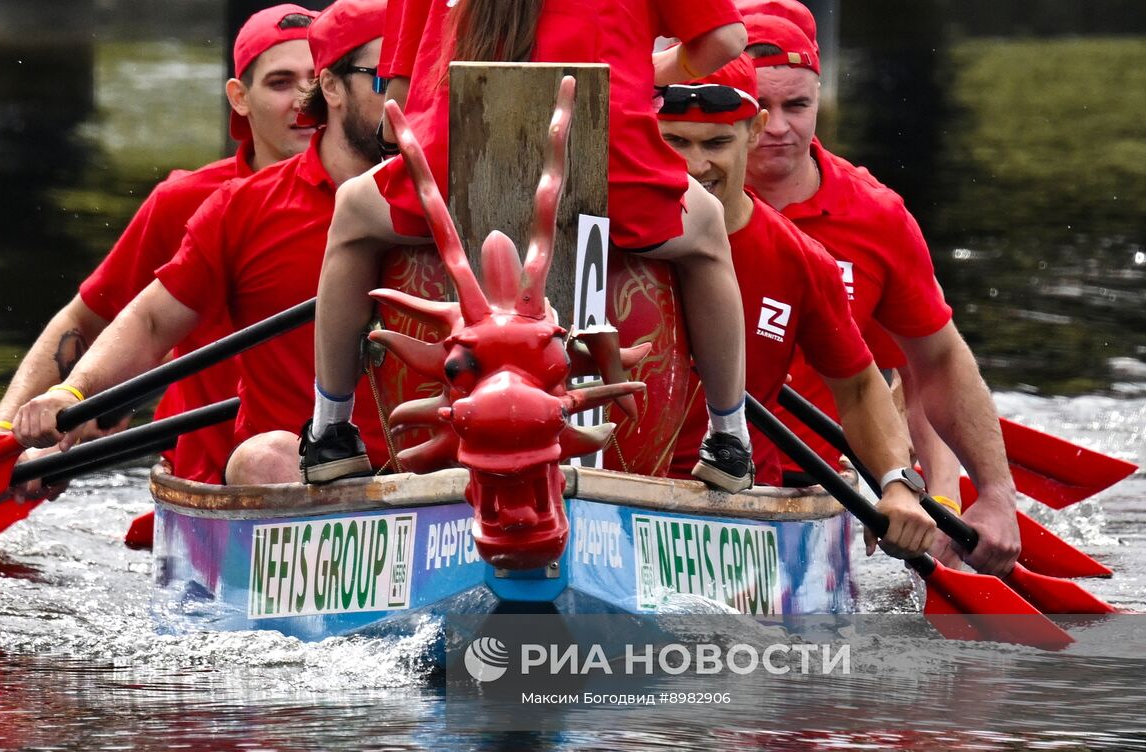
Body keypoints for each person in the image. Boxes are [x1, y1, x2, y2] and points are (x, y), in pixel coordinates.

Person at [302, 0, 759, 493]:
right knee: (709, 231)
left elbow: (396, 113)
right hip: (613, 174)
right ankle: (730, 439)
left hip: (455, 172)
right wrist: (636, 71)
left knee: (351, 210)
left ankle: (330, 431)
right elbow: (726, 40)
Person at [11, 0, 392, 487]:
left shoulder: (446, 193)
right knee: (266, 459)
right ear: (333, 86)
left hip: (425, 470)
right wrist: (69, 395)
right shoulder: (228, 205)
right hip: (284, 474)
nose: (406, 97)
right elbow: (145, 322)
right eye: (385, 79)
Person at [740, 12, 1020, 575]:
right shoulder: (667, 196)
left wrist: (987, 493)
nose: (776, 127)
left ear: (819, 99)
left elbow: (931, 363)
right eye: (758, 108)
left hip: (814, 474)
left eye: (797, 106)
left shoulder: (876, 216)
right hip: (693, 464)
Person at [657, 54, 936, 556]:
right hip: (609, 490)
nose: (696, 166)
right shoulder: (600, 231)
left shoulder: (801, 259)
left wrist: (897, 485)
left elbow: (857, 386)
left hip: (742, 510)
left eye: (717, 143)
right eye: (675, 142)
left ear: (755, 132)